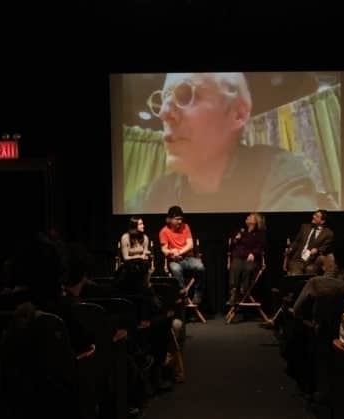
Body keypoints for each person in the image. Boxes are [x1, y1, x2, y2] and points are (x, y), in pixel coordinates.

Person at [131, 72, 327, 213]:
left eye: (185, 95)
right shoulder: (153, 194)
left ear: (238, 114)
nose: (164, 113)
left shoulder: (277, 171)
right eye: (163, 99)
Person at [159, 205, 205, 304]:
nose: (180, 222)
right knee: (176, 269)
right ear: (170, 219)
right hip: (174, 260)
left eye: (181, 219)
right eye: (177, 219)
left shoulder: (186, 227)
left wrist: (179, 252)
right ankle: (183, 294)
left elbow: (190, 245)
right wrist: (172, 252)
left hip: (187, 258)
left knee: (200, 267)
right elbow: (164, 249)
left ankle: (198, 292)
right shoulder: (164, 231)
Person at [227, 212, 266, 306]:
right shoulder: (242, 231)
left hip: (251, 259)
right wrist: (236, 239)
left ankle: (243, 290)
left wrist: (253, 253)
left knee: (248, 268)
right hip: (239, 257)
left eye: (250, 217)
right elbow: (232, 244)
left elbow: (261, 246)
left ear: (255, 221)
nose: (247, 217)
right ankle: (234, 292)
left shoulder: (259, 234)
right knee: (235, 266)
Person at [285, 209, 335, 276]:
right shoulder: (304, 227)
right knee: (296, 275)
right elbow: (296, 241)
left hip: (313, 261)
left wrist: (317, 250)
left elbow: (325, 248)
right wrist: (291, 248)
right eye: (314, 214)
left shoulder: (328, 233)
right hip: (299, 259)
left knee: (312, 270)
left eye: (317, 216)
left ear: (322, 221)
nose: (313, 216)